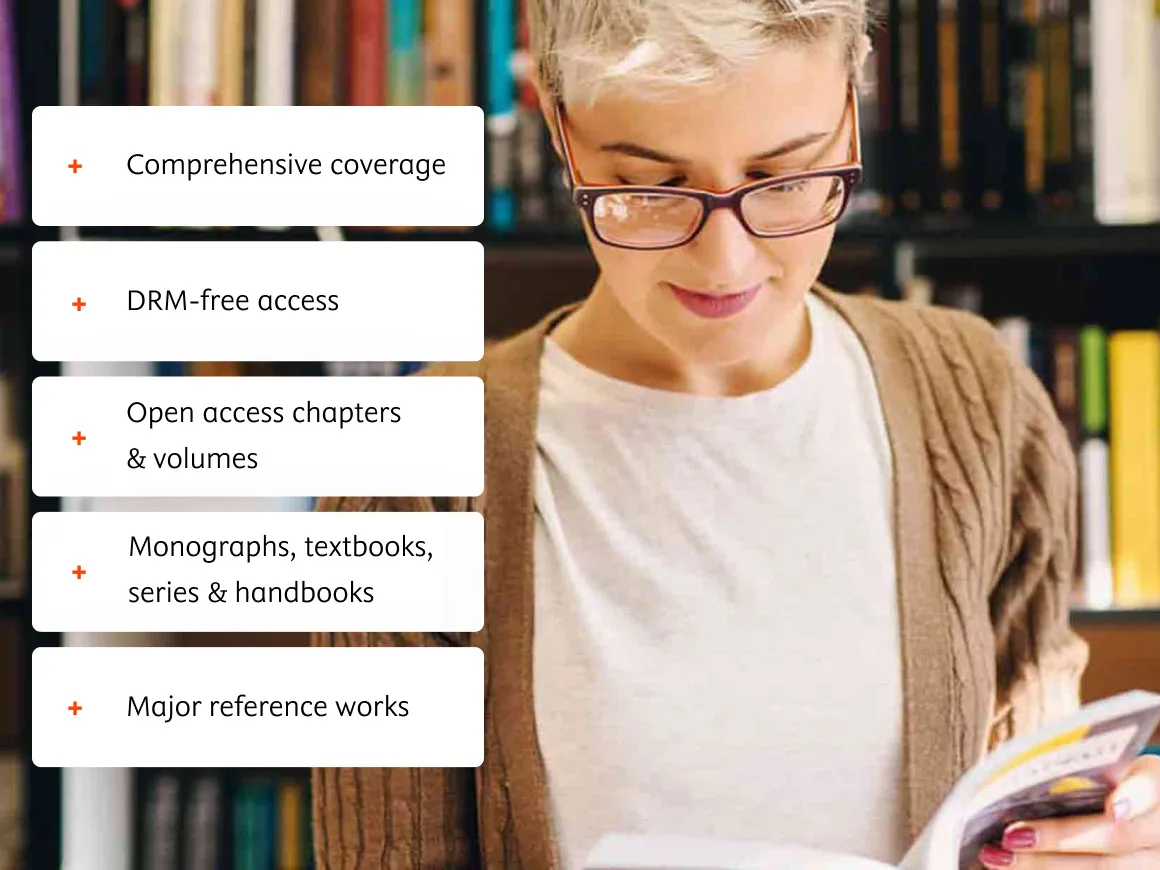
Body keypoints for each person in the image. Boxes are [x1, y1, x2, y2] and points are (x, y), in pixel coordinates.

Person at [312, 1, 1160, 867]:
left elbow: (1028, 806)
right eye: (651, 187)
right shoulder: (420, 470)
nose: (727, 265)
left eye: (785, 179)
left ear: (850, 115)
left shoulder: (979, 402)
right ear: (562, 133)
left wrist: (1103, 841)